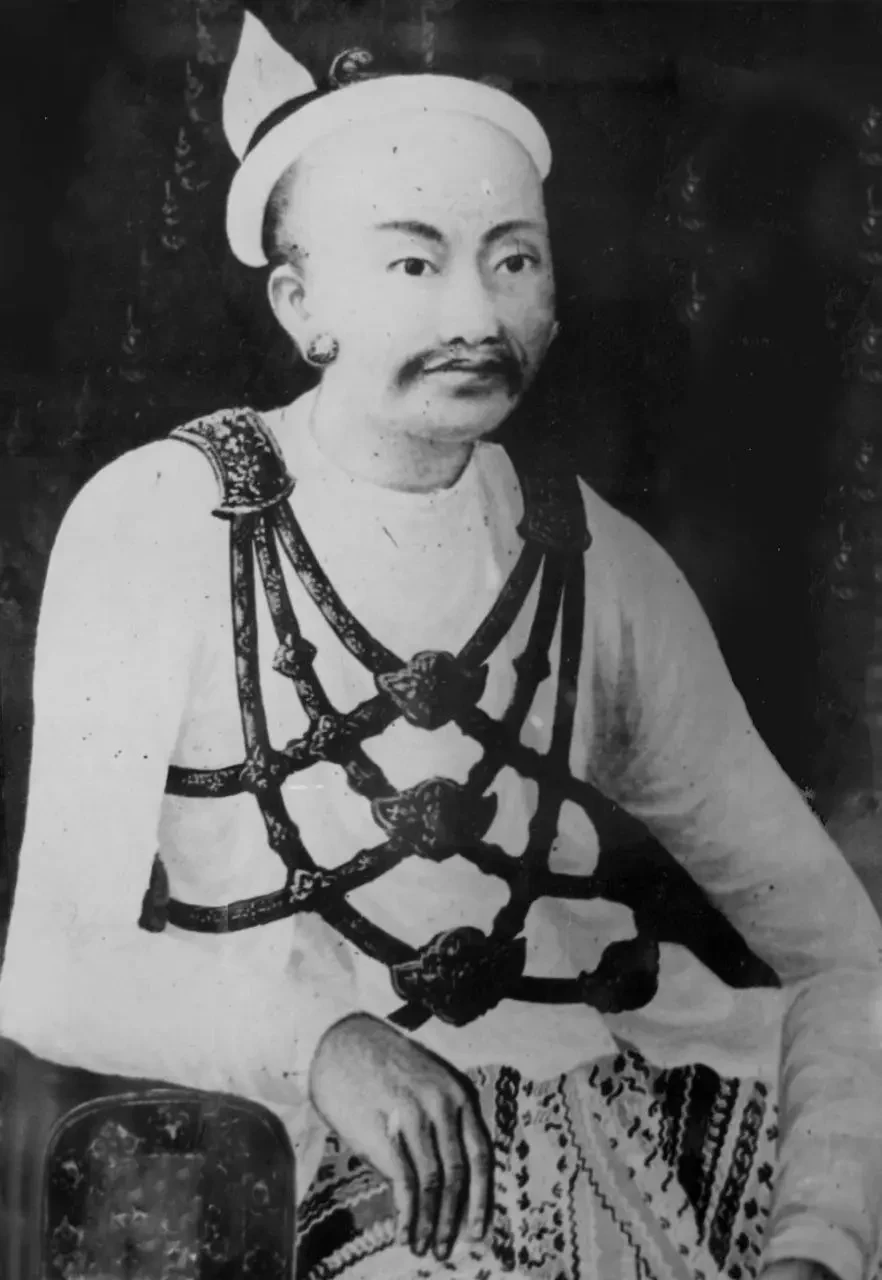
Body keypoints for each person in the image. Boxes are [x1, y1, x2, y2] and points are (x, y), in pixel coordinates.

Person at [1, 12, 881, 1280]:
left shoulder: (602, 561)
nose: (477, 312)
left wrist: (820, 1240)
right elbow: (47, 968)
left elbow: (837, 943)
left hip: (620, 1136)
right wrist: (321, 1039)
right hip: (303, 1159)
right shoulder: (160, 516)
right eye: (414, 263)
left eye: (513, 259)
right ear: (302, 303)